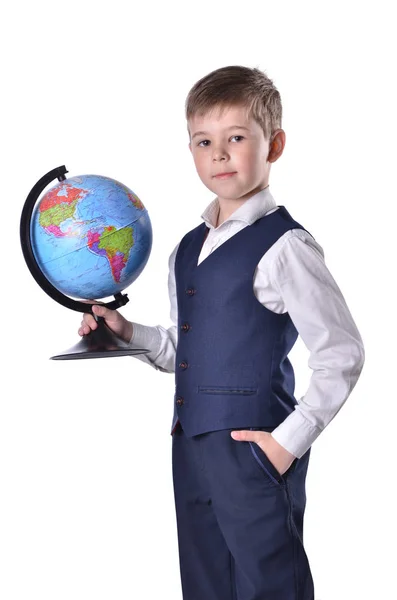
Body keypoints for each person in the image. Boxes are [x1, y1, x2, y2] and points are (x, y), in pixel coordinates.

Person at [78, 65, 365, 600]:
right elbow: (185, 350)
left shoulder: (286, 247)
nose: (219, 154)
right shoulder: (186, 247)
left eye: (237, 138)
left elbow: (342, 353)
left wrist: (286, 445)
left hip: (254, 449)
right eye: (204, 141)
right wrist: (126, 333)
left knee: (268, 586)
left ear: (273, 144)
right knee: (206, 585)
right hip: (189, 449)